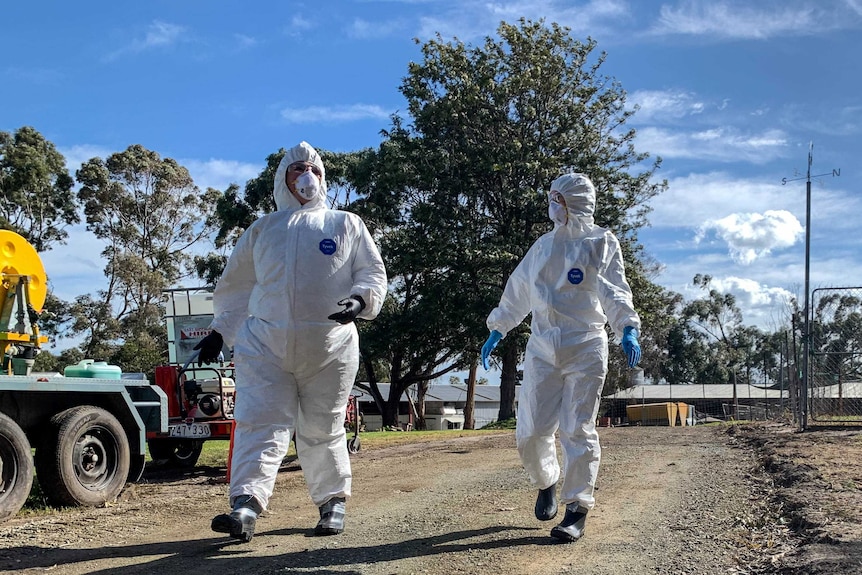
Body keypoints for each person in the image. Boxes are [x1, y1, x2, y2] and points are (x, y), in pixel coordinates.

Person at [195, 141, 388, 543]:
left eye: (314, 170)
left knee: (323, 427)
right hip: (266, 346)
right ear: (283, 179)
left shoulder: (345, 223)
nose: (307, 177)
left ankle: (332, 502)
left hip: (330, 348)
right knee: (259, 424)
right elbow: (236, 286)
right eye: (297, 169)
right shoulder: (263, 229)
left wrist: (360, 300)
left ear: (323, 177)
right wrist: (220, 331)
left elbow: (371, 271)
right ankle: (245, 505)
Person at [480, 172, 641, 543]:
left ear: (576, 202)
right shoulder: (543, 246)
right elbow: (518, 290)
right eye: (551, 197)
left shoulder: (601, 241)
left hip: (585, 345)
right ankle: (546, 480)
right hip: (542, 347)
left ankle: (577, 508)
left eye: (559, 198)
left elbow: (615, 288)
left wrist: (627, 327)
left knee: (576, 428)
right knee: (531, 431)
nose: (553, 205)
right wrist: (497, 328)